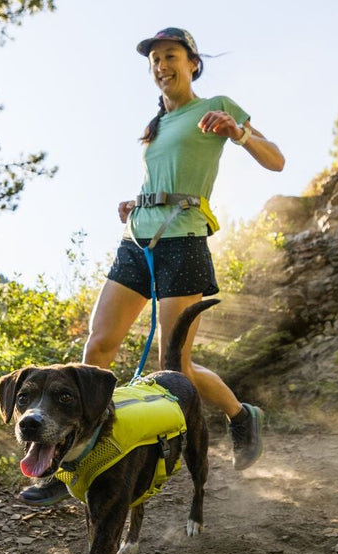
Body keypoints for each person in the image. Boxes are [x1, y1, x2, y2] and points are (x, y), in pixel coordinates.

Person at [19, 27, 284, 506]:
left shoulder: (215, 106)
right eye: (155, 60)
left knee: (174, 363)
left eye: (171, 56)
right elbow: (162, 176)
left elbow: (276, 160)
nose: (161, 65)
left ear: (192, 63)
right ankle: (70, 458)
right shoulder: (156, 125)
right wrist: (138, 203)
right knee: (96, 346)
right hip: (137, 240)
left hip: (182, 241)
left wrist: (239, 132)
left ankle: (241, 415)